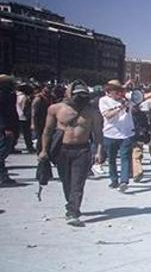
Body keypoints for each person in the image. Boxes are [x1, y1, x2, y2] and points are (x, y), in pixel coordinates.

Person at [39, 80, 103, 226]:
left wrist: (99, 151)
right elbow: (47, 131)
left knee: (77, 183)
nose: (80, 99)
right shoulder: (56, 109)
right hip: (61, 150)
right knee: (66, 182)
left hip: (82, 150)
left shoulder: (92, 113)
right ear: (70, 94)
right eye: (77, 95)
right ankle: (71, 203)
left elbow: (98, 134)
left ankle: (73, 211)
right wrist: (43, 150)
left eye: (84, 96)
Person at [99, 79, 136, 191]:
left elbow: (138, 101)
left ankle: (124, 181)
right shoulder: (103, 100)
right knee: (112, 159)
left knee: (125, 158)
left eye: (120, 90)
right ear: (109, 91)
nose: (118, 93)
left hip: (126, 134)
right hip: (110, 133)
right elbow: (108, 115)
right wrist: (120, 107)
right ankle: (114, 180)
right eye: (116, 91)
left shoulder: (126, 99)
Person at [0, 75, 19, 185]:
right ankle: (2, 177)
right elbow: (6, 113)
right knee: (2, 153)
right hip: (4, 128)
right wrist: (7, 127)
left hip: (5, 127)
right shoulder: (5, 95)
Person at [31, 85, 52, 153]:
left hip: (46, 119)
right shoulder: (38, 99)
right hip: (39, 120)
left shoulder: (49, 98)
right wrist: (33, 124)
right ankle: (39, 151)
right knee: (40, 137)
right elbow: (33, 113)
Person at [15, 83, 35, 153]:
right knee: (27, 133)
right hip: (24, 117)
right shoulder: (24, 97)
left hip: (17, 116)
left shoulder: (16, 95)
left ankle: (12, 147)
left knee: (16, 133)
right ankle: (30, 147)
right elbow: (24, 107)